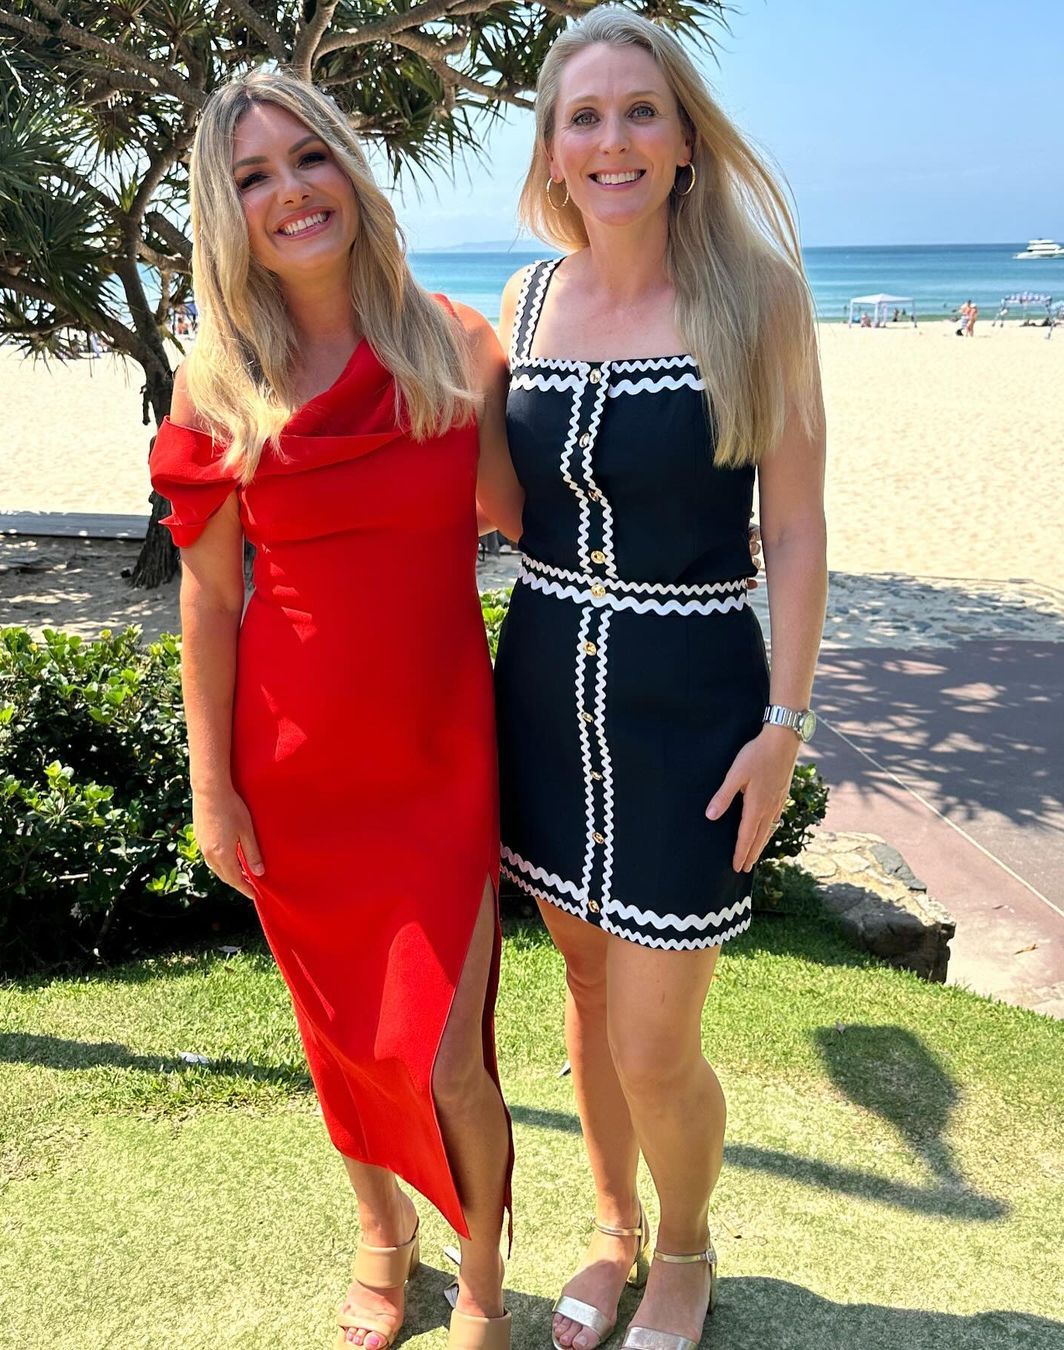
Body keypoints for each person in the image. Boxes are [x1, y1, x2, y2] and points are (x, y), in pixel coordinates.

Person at [148, 71, 522, 1350]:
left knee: (448, 1052)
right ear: (227, 213)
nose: (290, 191)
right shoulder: (216, 385)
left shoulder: (461, 348)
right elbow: (212, 602)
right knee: (343, 1034)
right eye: (252, 177)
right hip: (294, 766)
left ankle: (483, 1284)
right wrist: (212, 789)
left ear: (351, 171)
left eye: (308, 158)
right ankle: (382, 1233)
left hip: (438, 758)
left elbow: (528, 517)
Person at [491, 8, 827, 1349]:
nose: (612, 139)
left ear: (685, 138)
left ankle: (685, 1248)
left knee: (653, 1040)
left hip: (693, 705)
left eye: (641, 110)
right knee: (584, 996)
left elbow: (794, 526)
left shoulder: (758, 297)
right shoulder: (524, 300)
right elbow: (501, 500)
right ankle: (614, 1229)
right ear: (553, 150)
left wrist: (783, 726)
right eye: (584, 116)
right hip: (541, 693)